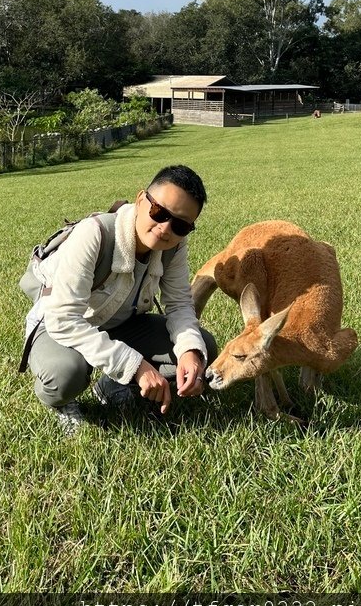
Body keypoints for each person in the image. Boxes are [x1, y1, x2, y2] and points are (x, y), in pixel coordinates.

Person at [24, 164, 217, 434]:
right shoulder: (94, 233)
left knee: (204, 346)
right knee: (65, 374)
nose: (165, 228)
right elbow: (63, 320)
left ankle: (113, 385)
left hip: (122, 323)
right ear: (141, 200)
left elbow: (179, 305)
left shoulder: (174, 246)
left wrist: (191, 352)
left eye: (181, 225)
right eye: (159, 212)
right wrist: (135, 366)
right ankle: (60, 403)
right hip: (59, 325)